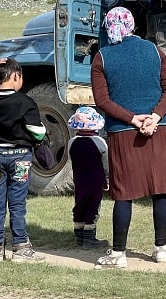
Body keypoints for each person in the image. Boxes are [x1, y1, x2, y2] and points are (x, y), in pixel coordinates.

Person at [91, 7, 166, 269]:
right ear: (132, 26)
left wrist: (132, 119)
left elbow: (102, 100)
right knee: (160, 189)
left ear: (109, 27)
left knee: (123, 194)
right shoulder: (155, 51)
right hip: (157, 129)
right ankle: (161, 249)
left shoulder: (102, 58)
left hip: (122, 131)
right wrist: (154, 116)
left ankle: (118, 254)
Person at [0, 57, 47, 263]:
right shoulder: (25, 101)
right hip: (20, 158)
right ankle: (21, 248)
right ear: (16, 76)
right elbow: (38, 132)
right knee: (17, 203)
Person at [68, 106, 109, 250]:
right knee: (93, 206)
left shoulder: (71, 142)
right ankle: (89, 238)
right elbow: (106, 164)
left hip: (79, 179)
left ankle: (78, 236)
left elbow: (71, 160)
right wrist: (107, 179)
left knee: (79, 205)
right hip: (95, 180)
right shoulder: (100, 143)